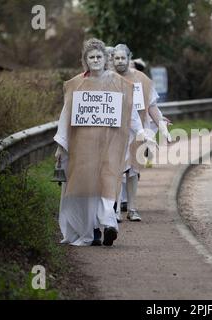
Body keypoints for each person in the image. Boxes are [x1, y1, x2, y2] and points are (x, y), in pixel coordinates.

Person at [53, 38, 152, 246]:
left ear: (105, 59)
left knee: (108, 182)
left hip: (111, 143)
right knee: (88, 187)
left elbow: (130, 110)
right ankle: (93, 230)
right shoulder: (77, 84)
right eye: (92, 57)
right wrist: (61, 144)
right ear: (85, 60)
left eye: (99, 56)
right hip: (84, 145)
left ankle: (108, 224)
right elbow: (66, 114)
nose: (96, 60)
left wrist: (141, 130)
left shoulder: (119, 83)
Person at [112, 43, 172, 222]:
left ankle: (132, 208)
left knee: (132, 170)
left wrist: (162, 128)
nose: (120, 61)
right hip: (113, 132)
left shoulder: (142, 80)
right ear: (112, 59)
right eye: (117, 58)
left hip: (137, 132)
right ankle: (114, 210)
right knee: (115, 170)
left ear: (129, 59)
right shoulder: (106, 78)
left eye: (123, 58)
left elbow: (152, 106)